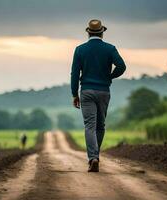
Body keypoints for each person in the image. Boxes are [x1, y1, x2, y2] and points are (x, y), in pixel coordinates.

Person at [70, 19, 126, 172]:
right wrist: (110, 76)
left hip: (86, 91)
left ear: (88, 32)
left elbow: (75, 73)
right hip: (103, 91)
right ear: (102, 32)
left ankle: (93, 158)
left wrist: (75, 94)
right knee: (100, 126)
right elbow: (122, 66)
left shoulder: (80, 50)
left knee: (89, 126)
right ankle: (95, 155)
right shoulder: (110, 49)